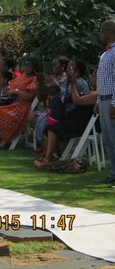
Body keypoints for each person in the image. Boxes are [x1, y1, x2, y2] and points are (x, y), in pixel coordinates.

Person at [34, 61, 96, 168]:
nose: (68, 68)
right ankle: (48, 156)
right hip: (73, 118)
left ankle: (47, 159)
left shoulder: (85, 85)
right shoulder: (78, 86)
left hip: (81, 122)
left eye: (71, 66)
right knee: (47, 128)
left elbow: (74, 99)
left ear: (77, 70)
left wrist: (69, 82)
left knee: (53, 129)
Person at [0, 56, 40, 150]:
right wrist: (7, 89)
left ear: (34, 67)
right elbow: (9, 85)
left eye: (29, 66)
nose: (26, 67)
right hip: (12, 103)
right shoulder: (22, 76)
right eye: (25, 65)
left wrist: (16, 91)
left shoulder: (34, 79)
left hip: (21, 107)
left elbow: (31, 97)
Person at [95, 19, 115, 184]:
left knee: (114, 138)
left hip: (111, 101)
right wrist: (97, 100)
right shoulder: (106, 53)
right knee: (107, 140)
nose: (100, 33)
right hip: (102, 100)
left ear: (109, 32)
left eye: (102, 30)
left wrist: (114, 104)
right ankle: (113, 173)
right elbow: (101, 80)